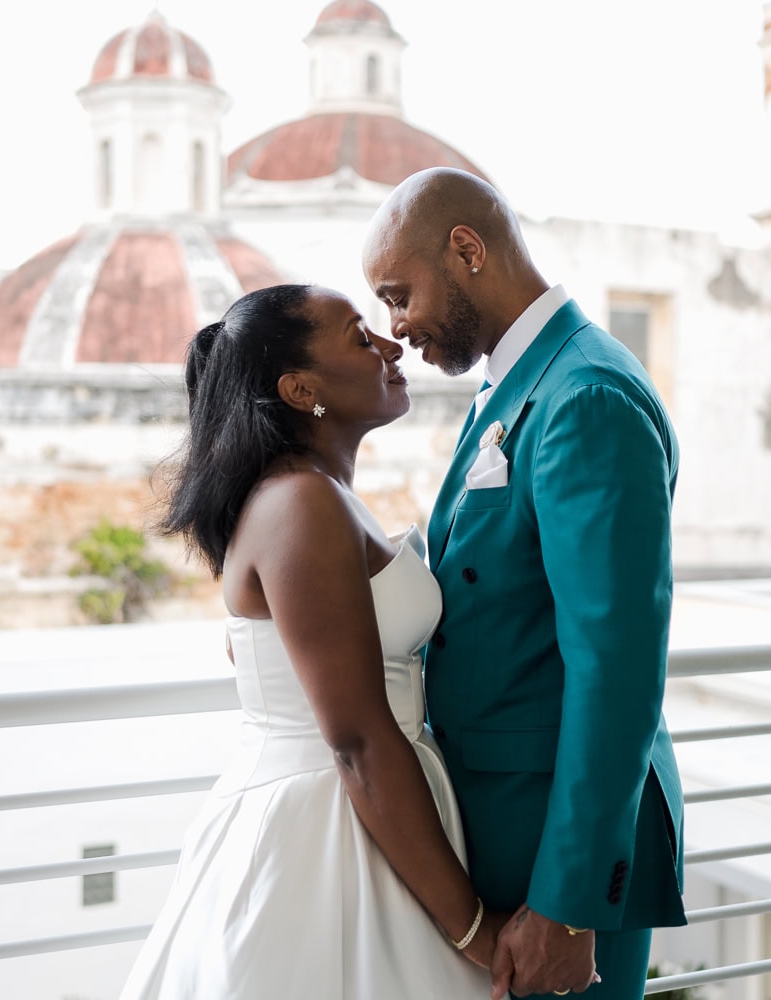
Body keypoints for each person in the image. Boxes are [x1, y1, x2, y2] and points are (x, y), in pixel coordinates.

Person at [118, 283, 502, 999]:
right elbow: (356, 740)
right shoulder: (301, 502)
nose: (391, 344)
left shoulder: (309, 495)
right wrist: (476, 930)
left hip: (362, 809)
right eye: (360, 337)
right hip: (329, 831)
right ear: (301, 390)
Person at [362, 167, 687, 1000]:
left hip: (556, 848)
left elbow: (615, 668)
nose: (396, 329)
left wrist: (569, 906)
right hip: (504, 826)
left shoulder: (586, 397)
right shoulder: (516, 384)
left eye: (400, 296)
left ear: (466, 249)